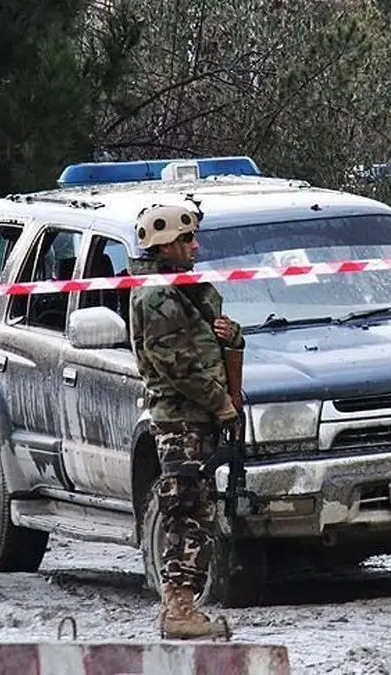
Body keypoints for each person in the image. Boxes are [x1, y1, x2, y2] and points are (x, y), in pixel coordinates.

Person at [127, 203, 242, 640]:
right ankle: (178, 608)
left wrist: (231, 336)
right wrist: (221, 404)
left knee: (199, 509)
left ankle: (183, 606)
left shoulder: (186, 289)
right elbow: (174, 362)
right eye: (187, 238)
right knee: (186, 511)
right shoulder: (157, 293)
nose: (196, 246)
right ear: (166, 244)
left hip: (198, 417)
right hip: (181, 420)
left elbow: (210, 343)